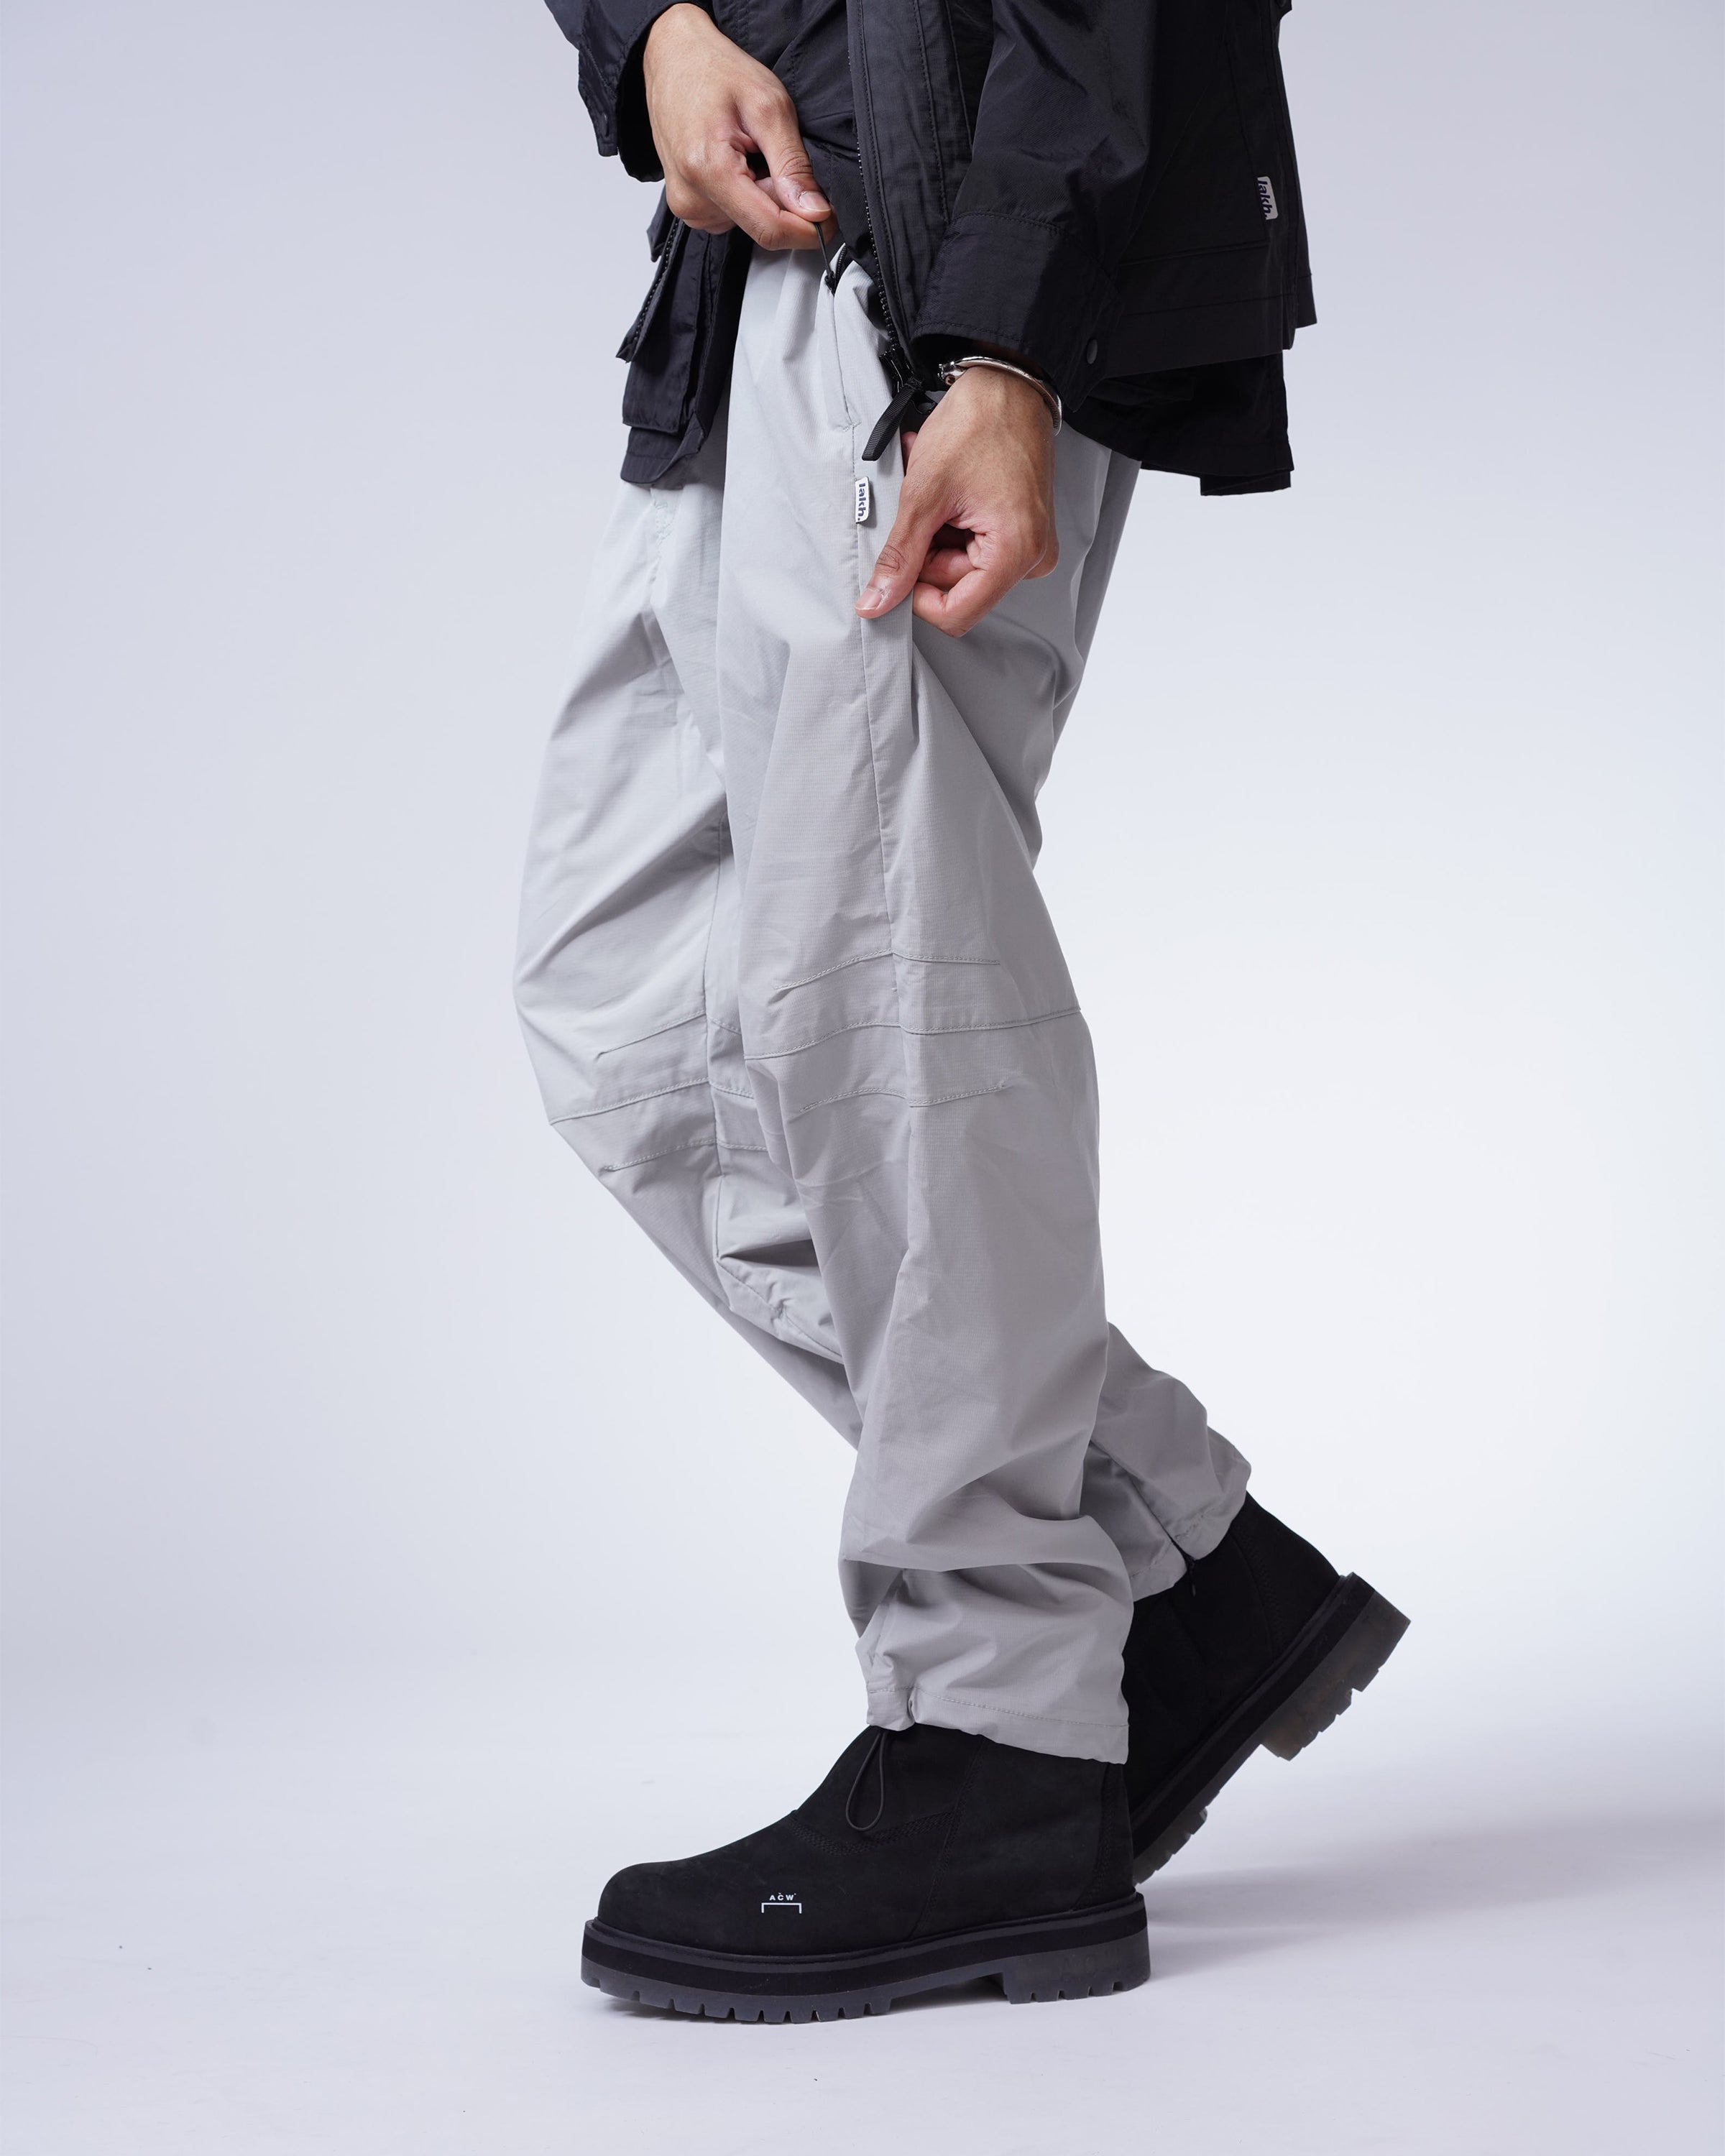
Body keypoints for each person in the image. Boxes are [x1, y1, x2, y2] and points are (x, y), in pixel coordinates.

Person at [517, 0, 1407, 2021]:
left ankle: (1000, 1729)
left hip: (943, 267)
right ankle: (1175, 1570)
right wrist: (652, 28)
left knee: (882, 997)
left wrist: (1005, 347)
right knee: (629, 1012)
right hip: (752, 268)